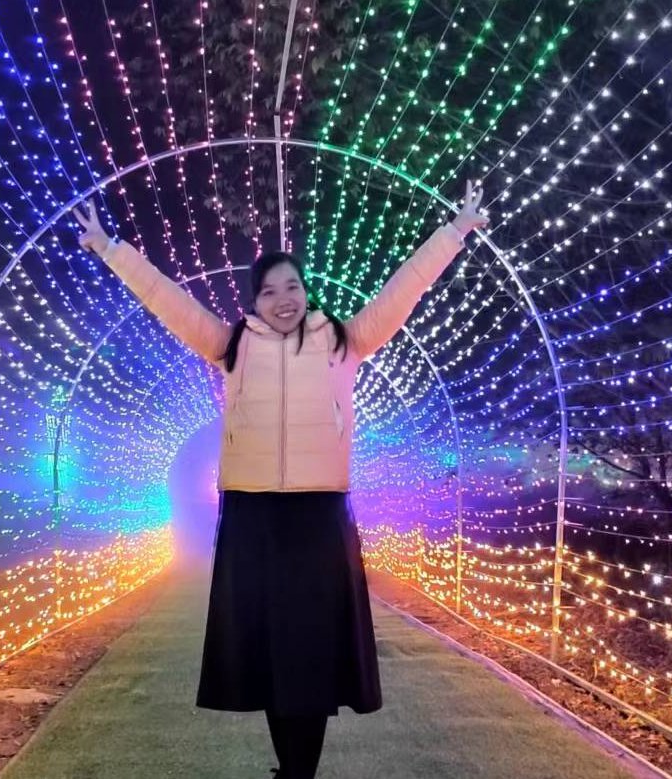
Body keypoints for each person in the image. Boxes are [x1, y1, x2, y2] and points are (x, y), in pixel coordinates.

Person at [74, 180, 489, 779]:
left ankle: (299, 775)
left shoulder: (344, 342)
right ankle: (290, 770)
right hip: (252, 517)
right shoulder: (233, 346)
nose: (283, 299)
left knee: (310, 653)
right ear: (255, 301)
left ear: (305, 290)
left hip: (319, 517)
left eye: (291, 286)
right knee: (269, 653)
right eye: (269, 291)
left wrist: (454, 233)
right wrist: (111, 249)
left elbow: (404, 290)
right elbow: (169, 302)